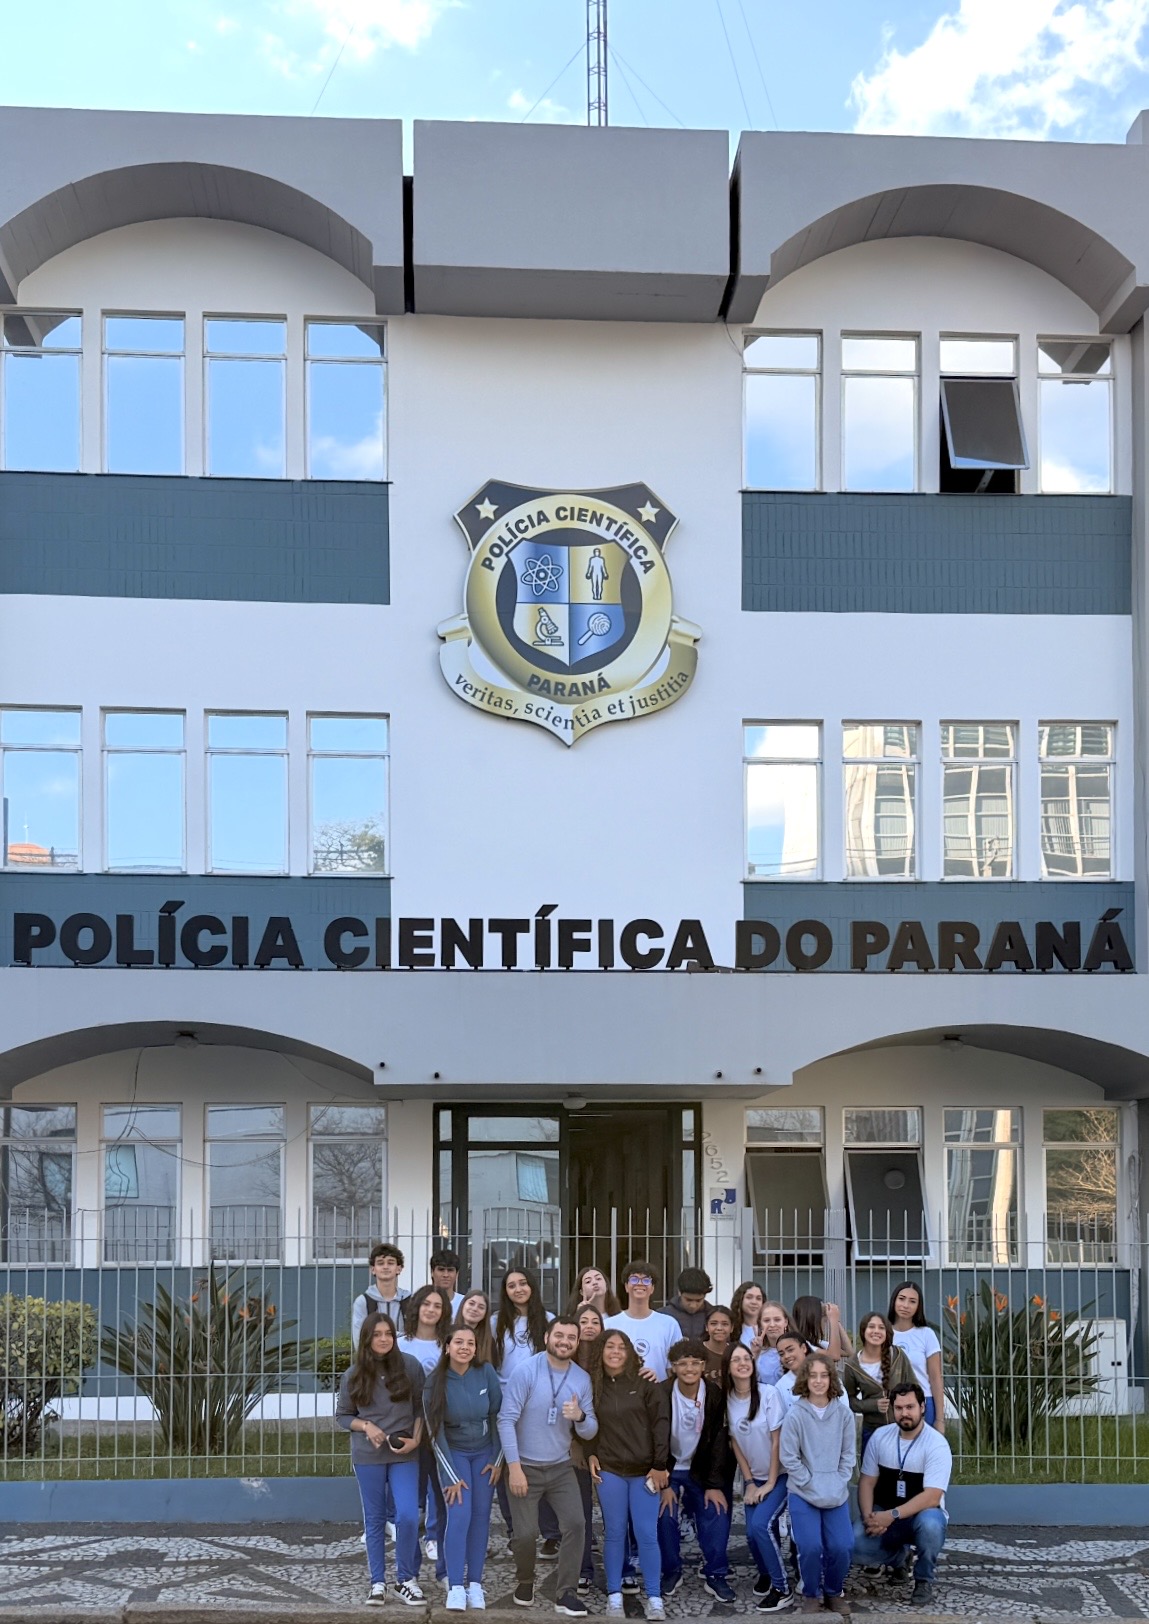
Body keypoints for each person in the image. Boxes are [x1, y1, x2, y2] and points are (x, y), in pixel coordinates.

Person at [497, 1316, 598, 1618]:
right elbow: (506, 1419)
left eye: (571, 1338)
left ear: (577, 1343)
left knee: (576, 1524)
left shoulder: (581, 1379)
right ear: (547, 1338)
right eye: (559, 1335)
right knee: (525, 1535)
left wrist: (580, 1417)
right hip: (525, 1466)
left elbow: (590, 1430)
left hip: (560, 1467)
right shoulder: (526, 1371)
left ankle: (566, 1592)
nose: (564, 1342)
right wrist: (514, 1467)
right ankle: (525, 1581)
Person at [336, 1311, 425, 1608]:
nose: (384, 1339)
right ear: (367, 1339)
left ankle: (406, 1580)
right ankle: (378, 1582)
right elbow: (343, 1416)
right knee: (374, 1519)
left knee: (408, 1515)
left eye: (388, 1333)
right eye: (377, 1334)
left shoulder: (410, 1366)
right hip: (367, 1456)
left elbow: (421, 1408)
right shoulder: (353, 1374)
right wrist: (366, 1426)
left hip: (404, 1454)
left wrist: (416, 1439)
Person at [588, 1330, 670, 1619]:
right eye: (609, 1346)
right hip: (610, 1469)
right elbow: (587, 1424)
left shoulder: (646, 1383)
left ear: (630, 1353)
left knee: (647, 1533)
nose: (615, 1352)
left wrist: (660, 1465)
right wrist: (590, 1452)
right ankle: (614, 1596)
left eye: (621, 1347)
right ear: (601, 1351)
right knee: (614, 1532)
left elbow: (661, 1424)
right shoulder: (593, 1385)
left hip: (645, 1472)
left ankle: (655, 1598)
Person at [424, 1322, 503, 1611]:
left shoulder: (486, 1373)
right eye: (459, 1342)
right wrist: (451, 1476)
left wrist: (497, 1460)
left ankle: (475, 1585)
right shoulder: (435, 1382)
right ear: (447, 1347)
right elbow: (435, 1434)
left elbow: (498, 1416)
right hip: (454, 1454)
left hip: (484, 1456)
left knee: (481, 1517)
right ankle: (456, 1586)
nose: (465, 1347)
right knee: (459, 1515)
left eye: (470, 1343)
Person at [852, 1383, 952, 1608]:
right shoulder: (880, 1437)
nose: (904, 1413)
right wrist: (869, 1517)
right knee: (854, 1543)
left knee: (932, 1525)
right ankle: (900, 1559)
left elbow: (932, 1496)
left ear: (922, 1407)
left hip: (920, 1515)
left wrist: (892, 1515)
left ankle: (923, 1579)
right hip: (884, 1514)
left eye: (910, 1407)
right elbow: (867, 1481)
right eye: (899, 1408)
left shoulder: (936, 1444)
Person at [656, 1338, 734, 1603]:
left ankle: (715, 1573)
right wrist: (664, 1482)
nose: (689, 1368)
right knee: (665, 1514)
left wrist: (714, 1484)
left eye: (695, 1363)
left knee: (717, 1512)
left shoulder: (714, 1394)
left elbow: (719, 1441)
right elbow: (653, 1438)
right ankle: (671, 1571)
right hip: (670, 1468)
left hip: (701, 1469)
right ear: (673, 1367)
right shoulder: (661, 1392)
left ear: (703, 1366)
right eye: (683, 1363)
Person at [778, 1353, 855, 1617]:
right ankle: (811, 1593)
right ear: (805, 1379)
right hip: (803, 1492)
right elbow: (789, 1456)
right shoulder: (795, 1415)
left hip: (835, 1491)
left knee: (842, 1546)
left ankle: (833, 1591)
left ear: (831, 1379)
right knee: (810, 1546)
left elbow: (848, 1454)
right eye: (813, 1376)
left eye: (824, 1375)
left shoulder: (843, 1414)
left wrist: (839, 1479)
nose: (819, 1381)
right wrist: (808, 1481)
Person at [491, 1268, 559, 1548]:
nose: (518, 1289)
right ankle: (515, 1531)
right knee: (508, 1466)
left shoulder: (548, 1319)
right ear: (505, 1291)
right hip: (504, 1401)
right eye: (511, 1285)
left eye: (523, 1283)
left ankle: (551, 1533)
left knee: (541, 1465)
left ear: (532, 1286)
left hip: (538, 1400)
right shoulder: (495, 1322)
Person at [725, 1343, 792, 1614]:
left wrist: (770, 1483)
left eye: (746, 1358)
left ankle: (782, 1588)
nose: (743, 1363)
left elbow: (777, 1441)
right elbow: (735, 1444)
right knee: (753, 1535)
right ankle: (767, 1572)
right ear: (728, 1367)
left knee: (761, 1525)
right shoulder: (728, 1400)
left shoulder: (768, 1394)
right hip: (754, 1477)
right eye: (736, 1360)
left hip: (781, 1475)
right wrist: (750, 1482)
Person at [399, 1286, 453, 1576]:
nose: (431, 1310)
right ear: (416, 1307)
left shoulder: (448, 1345)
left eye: (438, 1305)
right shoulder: (399, 1344)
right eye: (426, 1304)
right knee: (410, 1508)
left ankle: (445, 1569)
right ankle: (409, 1573)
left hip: (441, 1435)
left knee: (444, 1504)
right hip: (408, 1434)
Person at [842, 1314, 915, 1455]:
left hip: (901, 1428)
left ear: (887, 1333)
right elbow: (849, 1400)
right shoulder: (852, 1365)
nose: (876, 1331)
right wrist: (873, 1405)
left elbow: (914, 1388)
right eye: (871, 1327)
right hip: (872, 1430)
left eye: (881, 1328)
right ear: (863, 1331)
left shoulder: (898, 1355)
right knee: (871, 1469)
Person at [572, 1306, 605, 1595]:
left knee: (615, 1513)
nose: (589, 1326)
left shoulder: (610, 1358)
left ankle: (625, 1568)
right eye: (583, 1321)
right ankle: (582, 1569)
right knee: (580, 1511)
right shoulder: (565, 1361)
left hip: (611, 1442)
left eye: (595, 1321)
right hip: (577, 1442)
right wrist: (577, 1444)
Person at [605, 1261, 681, 1381]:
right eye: (634, 1279)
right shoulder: (609, 1324)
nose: (640, 1283)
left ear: (652, 1288)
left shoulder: (669, 1324)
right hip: (619, 1390)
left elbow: (675, 1368)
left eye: (646, 1280)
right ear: (626, 1286)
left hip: (658, 1390)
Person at [887, 1282, 945, 1433]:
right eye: (902, 1299)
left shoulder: (926, 1334)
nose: (906, 1305)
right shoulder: (883, 1333)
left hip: (923, 1402)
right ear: (894, 1300)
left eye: (912, 1301)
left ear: (919, 1306)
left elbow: (935, 1378)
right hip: (892, 1404)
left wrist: (940, 1419)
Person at [353, 1243, 411, 1342]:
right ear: (373, 1269)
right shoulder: (363, 1302)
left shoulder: (410, 1301)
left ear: (399, 1268)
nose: (385, 1267)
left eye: (390, 1263)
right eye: (380, 1263)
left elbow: (415, 1336)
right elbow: (359, 1339)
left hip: (404, 1352)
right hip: (373, 1352)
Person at [790, 1296, 852, 1361]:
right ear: (812, 1319)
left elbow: (848, 1351)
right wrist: (833, 1320)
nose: (826, 1320)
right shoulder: (803, 1344)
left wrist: (837, 1321)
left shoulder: (818, 1343)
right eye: (823, 1315)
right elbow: (834, 1356)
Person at [663, 1268, 714, 1340]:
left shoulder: (713, 1315)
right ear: (679, 1292)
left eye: (698, 1300)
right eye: (688, 1300)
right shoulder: (663, 1315)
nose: (693, 1306)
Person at [455, 1289, 497, 1368]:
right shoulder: (447, 1334)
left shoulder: (489, 1342)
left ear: (485, 1314)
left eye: (481, 1307)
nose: (475, 1309)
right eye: (471, 1303)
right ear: (463, 1305)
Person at [756, 1301, 793, 1387]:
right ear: (760, 1324)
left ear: (786, 1322)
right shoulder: (757, 1352)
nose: (772, 1325)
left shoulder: (799, 1347)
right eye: (766, 1320)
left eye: (777, 1320)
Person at [773, 1332, 807, 1412]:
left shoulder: (823, 1373)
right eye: (781, 1354)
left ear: (803, 1348)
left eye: (790, 1350)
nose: (786, 1356)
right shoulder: (780, 1387)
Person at [702, 1305, 735, 1385]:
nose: (719, 1328)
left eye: (725, 1324)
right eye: (713, 1324)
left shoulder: (736, 1352)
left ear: (731, 1328)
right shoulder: (696, 1351)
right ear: (706, 1327)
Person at [730, 1281, 766, 1348]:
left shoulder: (767, 1328)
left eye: (758, 1298)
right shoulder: (732, 1329)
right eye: (749, 1297)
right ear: (740, 1300)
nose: (754, 1302)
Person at [431, 1248, 466, 1314]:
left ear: (457, 1274)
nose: (446, 1275)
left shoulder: (465, 1304)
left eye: (450, 1270)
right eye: (441, 1270)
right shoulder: (422, 1302)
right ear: (432, 1272)